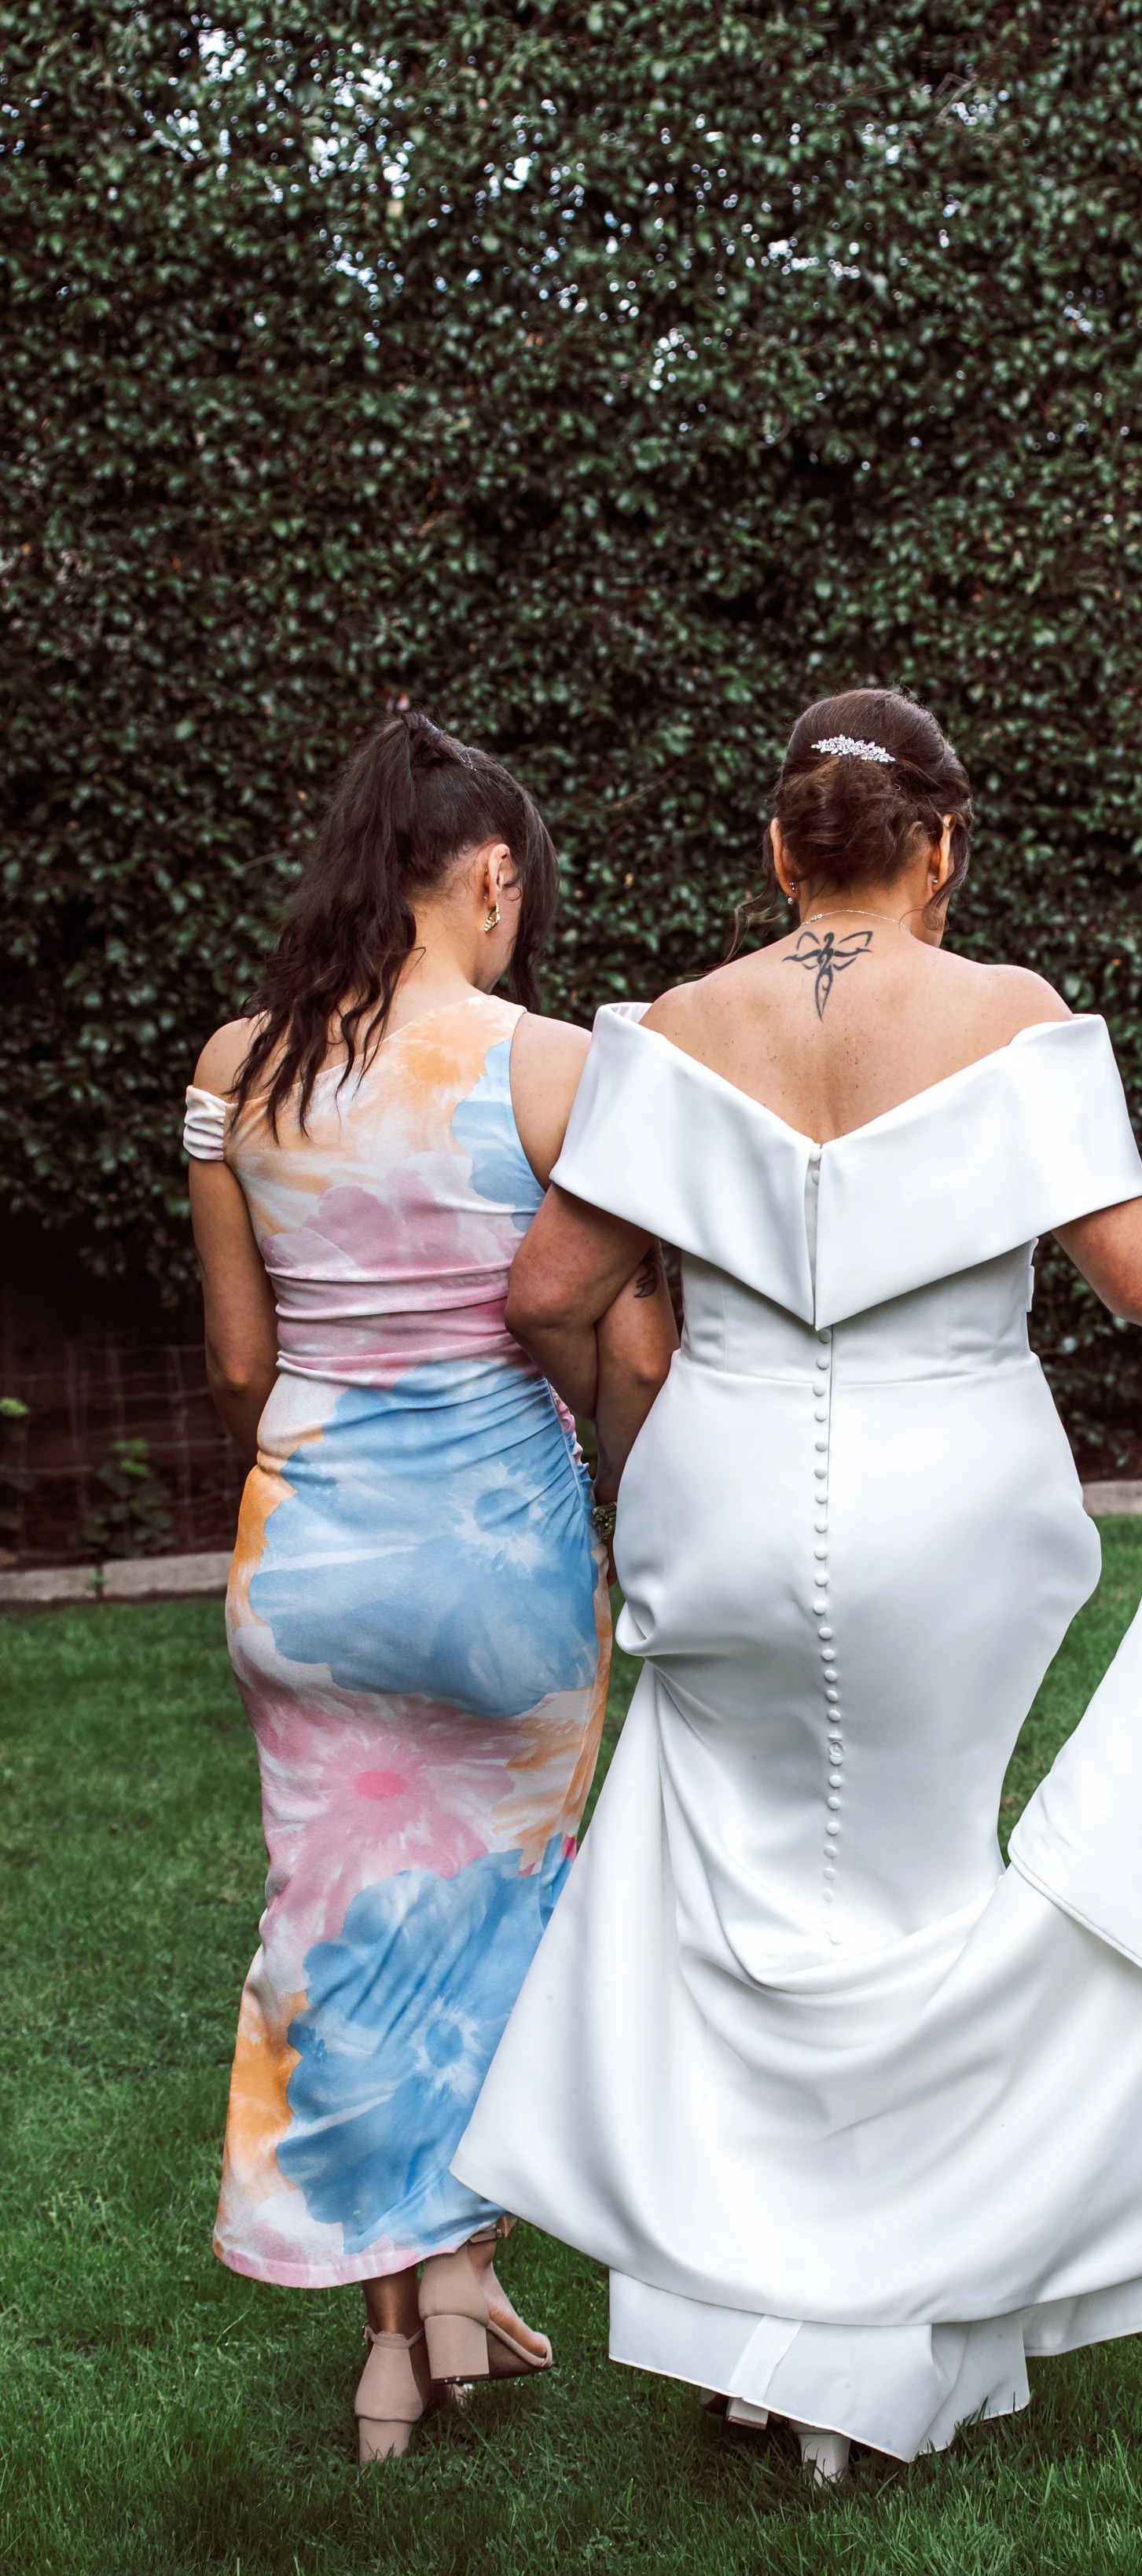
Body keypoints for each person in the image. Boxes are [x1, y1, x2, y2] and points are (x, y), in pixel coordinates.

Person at [456, 687, 1142, 2485]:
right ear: (939, 849)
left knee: (751, 1919)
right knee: (912, 1911)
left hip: (727, 1504)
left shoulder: (675, 1030)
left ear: (778, 848)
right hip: (948, 1518)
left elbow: (543, 1299)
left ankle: (759, 2346)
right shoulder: (1013, 1020)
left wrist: (682, 1360)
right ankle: (876, 2352)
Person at [186, 711, 674, 2463]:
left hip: (304, 1552)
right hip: (495, 1557)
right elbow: (622, 1334)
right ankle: (460, 2265)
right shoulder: (553, 1067)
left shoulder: (235, 1069)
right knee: (497, 1924)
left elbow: (240, 1369)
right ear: (489, 876)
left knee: (338, 1929)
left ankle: (407, 2333)